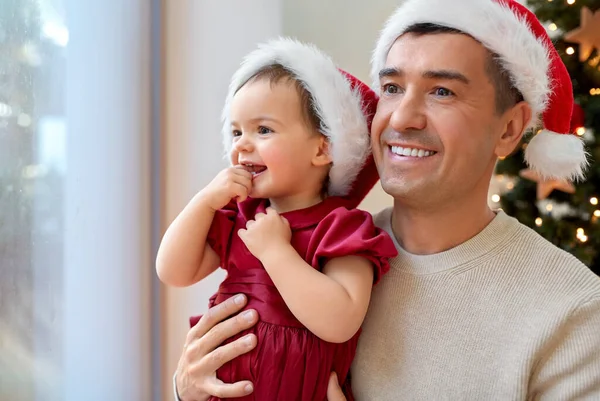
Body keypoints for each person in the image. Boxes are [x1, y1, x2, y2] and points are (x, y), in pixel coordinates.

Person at [173, 0, 600, 399]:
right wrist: (187, 387)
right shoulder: (304, 249)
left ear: (509, 130)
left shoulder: (573, 310)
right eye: (392, 88)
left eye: (442, 92)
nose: (402, 117)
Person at [157, 37, 397, 401]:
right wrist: (203, 202)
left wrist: (276, 252)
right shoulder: (240, 217)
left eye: (263, 130)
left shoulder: (341, 227)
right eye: (236, 132)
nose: (241, 145)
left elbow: (340, 320)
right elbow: (173, 271)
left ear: (322, 148)